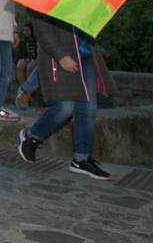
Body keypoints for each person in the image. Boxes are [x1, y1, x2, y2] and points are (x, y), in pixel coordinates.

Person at [17, 13, 116, 179]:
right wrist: (60, 55)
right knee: (64, 107)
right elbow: (42, 28)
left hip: (86, 53)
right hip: (59, 56)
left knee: (88, 108)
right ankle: (31, 137)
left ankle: (81, 158)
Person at [13, 23, 39, 108]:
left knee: (30, 67)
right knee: (20, 65)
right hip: (26, 59)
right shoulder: (23, 41)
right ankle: (24, 91)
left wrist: (33, 59)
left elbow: (38, 55)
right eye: (24, 30)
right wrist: (24, 59)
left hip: (35, 60)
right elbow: (18, 55)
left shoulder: (36, 40)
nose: (25, 32)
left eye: (27, 30)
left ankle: (27, 92)